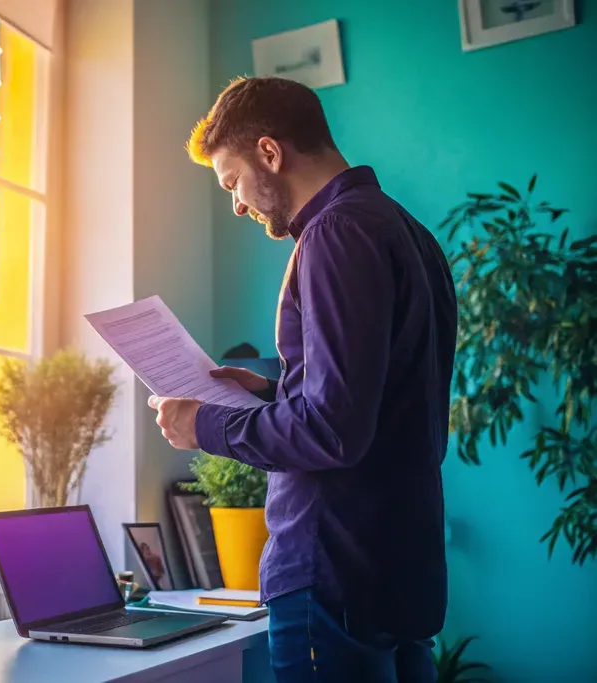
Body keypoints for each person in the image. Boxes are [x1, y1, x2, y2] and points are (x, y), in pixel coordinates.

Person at [147, 76, 457, 682]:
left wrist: (204, 423)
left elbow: (335, 432)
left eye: (232, 181)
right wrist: (267, 390)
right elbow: (380, 395)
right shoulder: (408, 232)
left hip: (334, 565)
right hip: (403, 563)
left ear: (270, 152)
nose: (236, 204)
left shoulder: (334, 233)